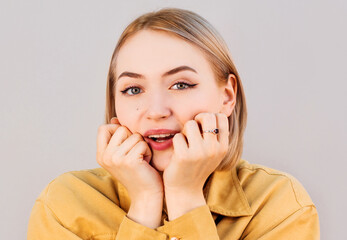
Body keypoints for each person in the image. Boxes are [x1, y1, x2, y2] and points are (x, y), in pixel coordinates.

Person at [27, 7, 320, 240]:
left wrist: (185, 197)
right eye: (133, 89)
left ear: (227, 96)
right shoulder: (64, 205)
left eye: (180, 85)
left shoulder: (280, 206)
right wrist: (144, 203)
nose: (155, 111)